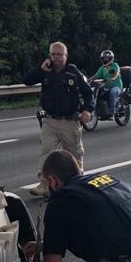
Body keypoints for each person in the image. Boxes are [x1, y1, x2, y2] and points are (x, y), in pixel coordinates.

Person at [23, 41, 93, 196]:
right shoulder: (45, 71)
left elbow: (88, 93)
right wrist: (40, 70)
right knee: (46, 151)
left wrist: (87, 110)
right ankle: (44, 183)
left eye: (59, 54)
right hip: (50, 120)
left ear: (66, 56)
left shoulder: (73, 72)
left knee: (73, 154)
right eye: (53, 54)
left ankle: (77, 183)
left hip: (70, 121)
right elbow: (27, 80)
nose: (56, 57)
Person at [89, 49, 122, 119]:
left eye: (107, 58)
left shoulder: (115, 65)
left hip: (117, 87)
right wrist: (88, 80)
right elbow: (96, 76)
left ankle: (112, 113)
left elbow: (116, 73)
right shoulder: (102, 68)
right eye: (104, 58)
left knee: (112, 92)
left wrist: (112, 78)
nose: (105, 59)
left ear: (111, 58)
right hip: (106, 87)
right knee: (98, 93)